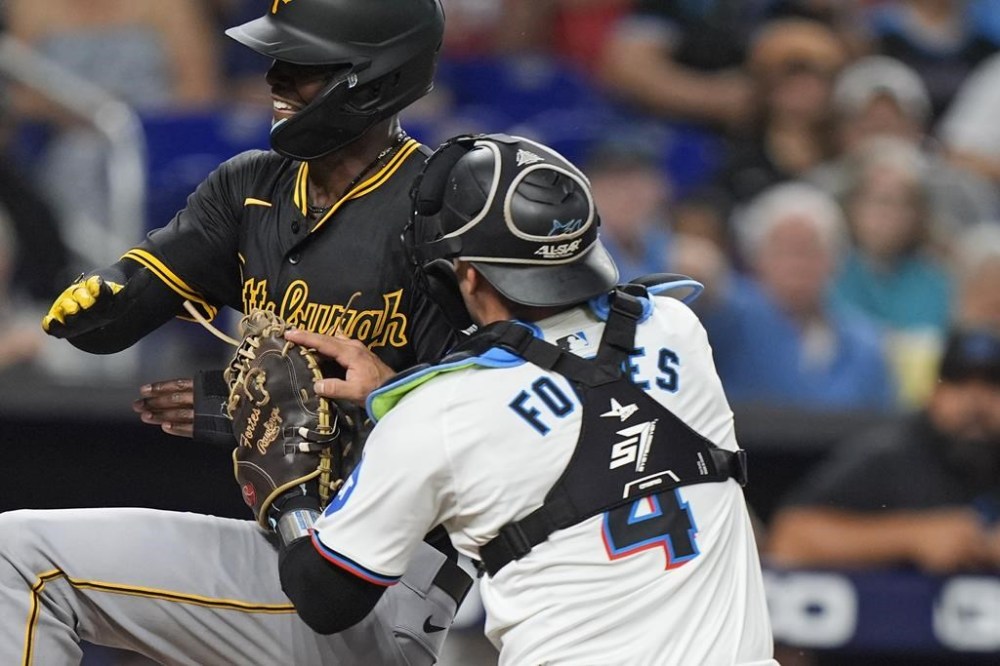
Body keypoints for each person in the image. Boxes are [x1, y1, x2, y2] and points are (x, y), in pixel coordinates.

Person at [3, 1, 473, 664]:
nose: (275, 78)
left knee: (20, 559)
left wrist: (363, 402)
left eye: (303, 65)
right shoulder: (253, 188)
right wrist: (115, 295)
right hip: (291, 556)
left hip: (384, 570)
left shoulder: (444, 207)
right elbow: (119, 317)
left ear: (377, 75)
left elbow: (490, 426)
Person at [278, 133, 778, 665]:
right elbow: (552, 402)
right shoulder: (676, 328)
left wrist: (290, 496)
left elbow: (325, 599)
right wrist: (401, 400)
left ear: (466, 276)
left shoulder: (435, 418)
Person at [766, 326, 1000, 574]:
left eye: (992, 386)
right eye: (959, 384)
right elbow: (789, 537)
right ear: (934, 393)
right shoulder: (892, 453)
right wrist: (911, 537)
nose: (976, 402)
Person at [694, 181, 896, 411]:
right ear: (756, 259)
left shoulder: (865, 343)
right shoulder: (731, 317)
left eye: (810, 251)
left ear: (834, 260)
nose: (798, 265)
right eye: (784, 251)